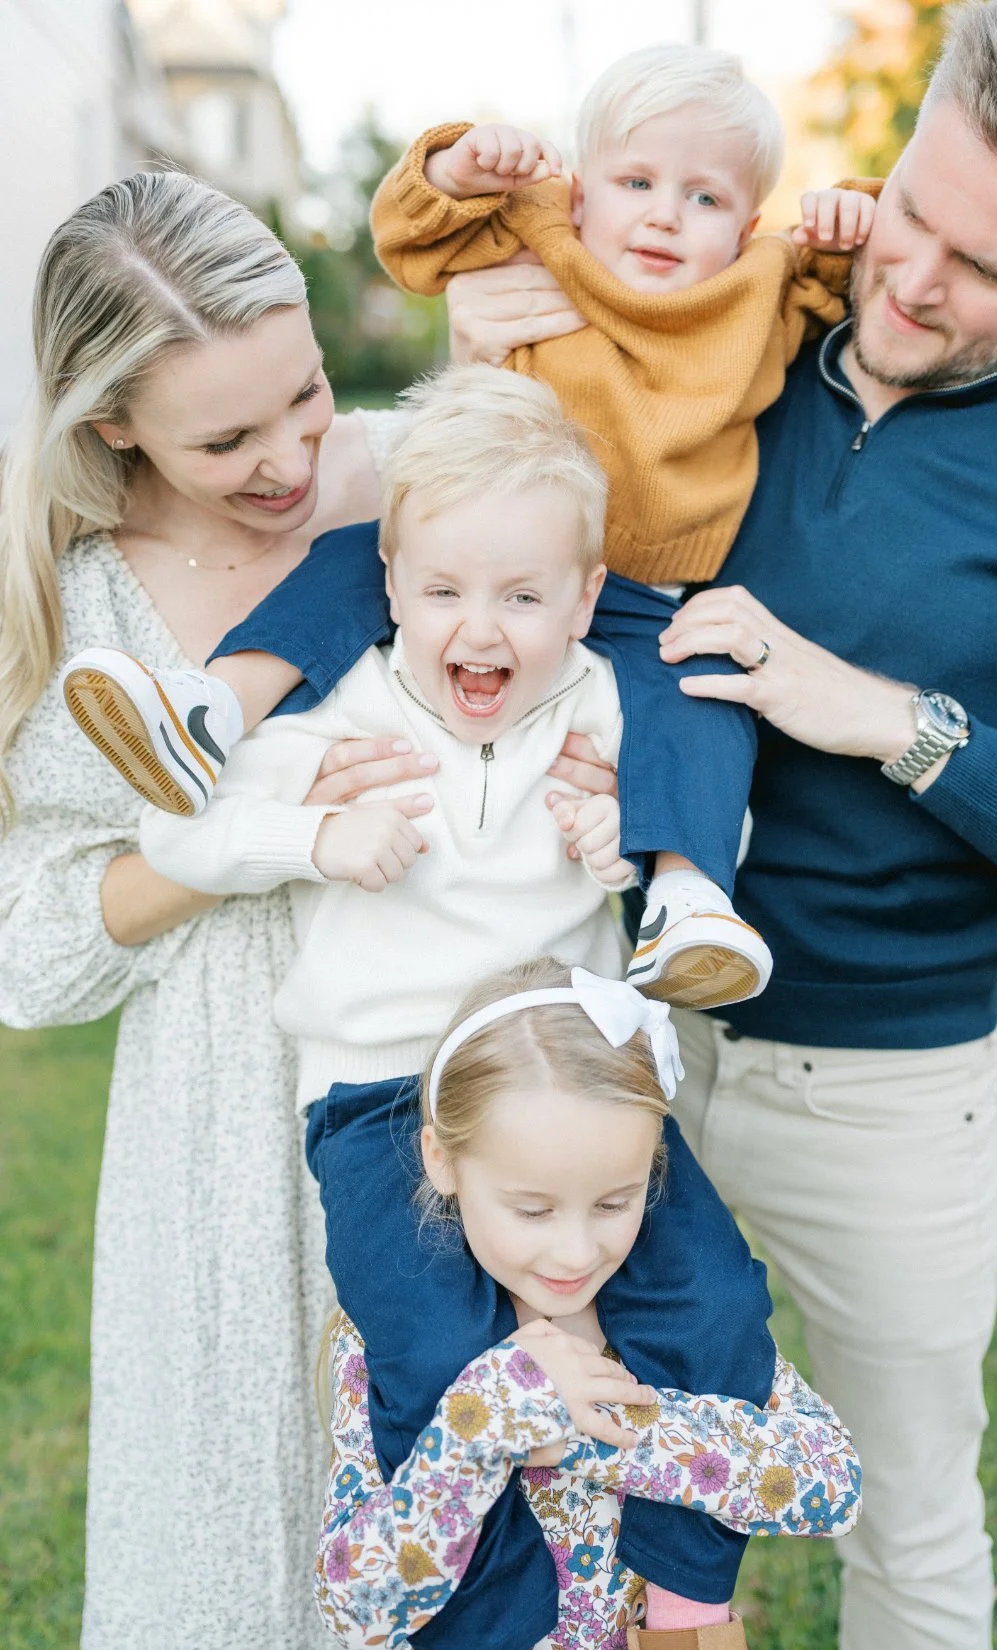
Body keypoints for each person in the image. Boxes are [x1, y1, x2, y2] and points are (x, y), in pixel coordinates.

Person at [445, 2, 997, 1646]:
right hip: (611, 1043)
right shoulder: (716, 340)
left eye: (987, 270)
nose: (915, 280)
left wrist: (889, 721)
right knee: (556, 1479)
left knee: (910, 1513)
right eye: (914, 214)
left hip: (885, 1100)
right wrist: (495, 371)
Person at [137, 366, 784, 1648]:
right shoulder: (341, 714)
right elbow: (179, 830)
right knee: (433, 1357)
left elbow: (725, 814)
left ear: (586, 600)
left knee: (710, 1304)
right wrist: (316, 835)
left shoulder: (600, 711)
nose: (474, 629)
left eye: (521, 596)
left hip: (573, 1087)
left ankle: (682, 1597)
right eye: (441, 590)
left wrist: (628, 830)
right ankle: (490, 1626)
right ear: (388, 583)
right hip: (382, 1100)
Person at [59, 43, 876, 1011]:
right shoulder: (546, 241)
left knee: (699, 699)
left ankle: (688, 898)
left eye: (704, 199)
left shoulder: (759, 285)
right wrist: (455, 166)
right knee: (346, 564)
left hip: (636, 589)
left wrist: (847, 212)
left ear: (746, 224)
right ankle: (208, 712)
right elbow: (413, 236)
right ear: (578, 190)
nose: (663, 212)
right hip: (488, 550)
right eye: (635, 181)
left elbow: (856, 278)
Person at [0, 170, 485, 1650]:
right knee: (223, 1544)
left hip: (443, 1095)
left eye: (309, 395)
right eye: (226, 436)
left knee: (457, 1529)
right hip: (214, 1142)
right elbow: (32, 957)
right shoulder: (79, 614)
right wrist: (240, 841)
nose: (288, 457)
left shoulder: (419, 493)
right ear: (112, 424)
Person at [312, 956, 863, 1650]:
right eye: (533, 1210)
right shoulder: (384, 1341)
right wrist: (483, 1422)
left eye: (613, 1203)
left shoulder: (666, 1326)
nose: (575, 1254)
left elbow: (831, 1480)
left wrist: (572, 1430)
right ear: (443, 1161)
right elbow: (354, 1608)